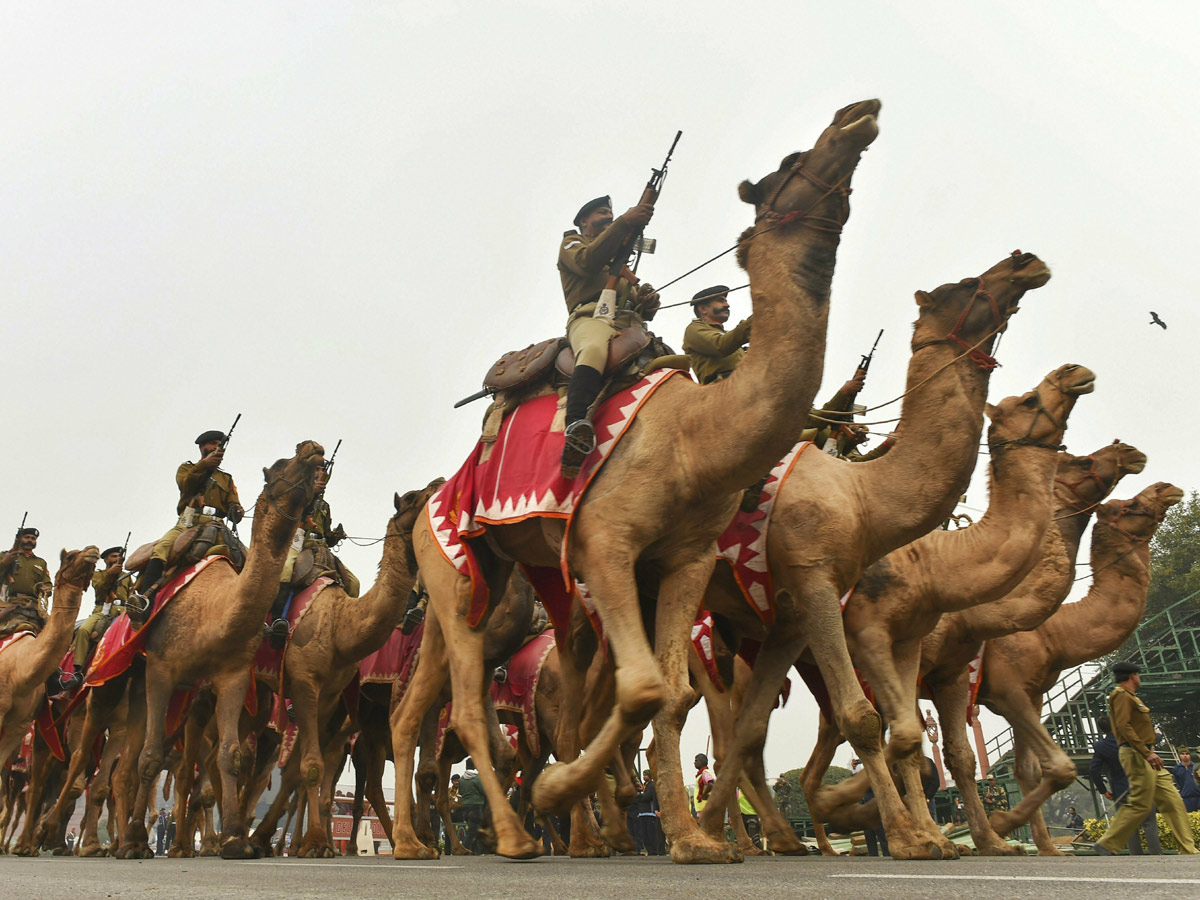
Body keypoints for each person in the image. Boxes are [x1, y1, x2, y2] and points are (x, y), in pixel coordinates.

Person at [557, 196, 659, 477]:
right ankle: (575, 425)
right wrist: (626, 221)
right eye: (602, 213)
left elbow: (637, 302)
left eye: (611, 214)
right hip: (591, 318)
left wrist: (647, 301)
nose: (609, 217)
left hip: (629, 324)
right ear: (583, 221)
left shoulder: (619, 263)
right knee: (592, 349)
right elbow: (587, 262)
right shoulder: (572, 243)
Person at [1095, 661, 1197, 855]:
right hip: (1136, 754)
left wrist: (1149, 750)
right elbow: (1125, 727)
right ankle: (1107, 843)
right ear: (1133, 676)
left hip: (1146, 754)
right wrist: (1146, 752)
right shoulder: (1121, 696)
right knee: (1141, 804)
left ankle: (1188, 850)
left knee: (1173, 800)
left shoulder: (1132, 697)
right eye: (1139, 675)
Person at [135, 430, 245, 604]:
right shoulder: (186, 468)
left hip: (218, 525)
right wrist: (204, 465)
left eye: (219, 444)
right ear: (202, 447)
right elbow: (186, 485)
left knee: (249, 558)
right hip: (189, 522)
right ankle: (144, 601)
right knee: (162, 547)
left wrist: (237, 510)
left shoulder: (226, 478)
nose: (217, 447)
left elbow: (233, 504)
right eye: (213, 443)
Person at [1088, 714, 1160, 854]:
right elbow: (1150, 740)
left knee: (1129, 826)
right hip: (1142, 785)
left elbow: (1093, 770)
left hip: (1120, 790)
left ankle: (1135, 856)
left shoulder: (1100, 746)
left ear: (1102, 730)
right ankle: (1156, 855)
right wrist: (1159, 735)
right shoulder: (1130, 739)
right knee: (1149, 822)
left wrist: (1103, 790)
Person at [69, 545, 130, 686]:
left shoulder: (126, 577)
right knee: (84, 630)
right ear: (105, 559)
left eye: (118, 556)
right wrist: (110, 575)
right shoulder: (98, 575)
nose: (116, 559)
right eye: (113, 556)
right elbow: (101, 590)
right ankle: (77, 671)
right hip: (102, 609)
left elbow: (131, 593)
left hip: (123, 609)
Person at [682, 286, 752, 385]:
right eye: (720, 301)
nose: (727, 305)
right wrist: (755, 320)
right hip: (721, 388)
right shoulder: (694, 329)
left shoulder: (727, 335)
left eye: (726, 301)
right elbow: (720, 345)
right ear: (703, 309)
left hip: (745, 381)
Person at [0, 526, 52, 633]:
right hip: (10, 602)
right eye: (27, 537)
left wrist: (45, 589)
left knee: (54, 633)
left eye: (33, 538)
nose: (30, 540)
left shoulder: (41, 563)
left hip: (34, 607)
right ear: (20, 539)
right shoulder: (6, 555)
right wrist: (4, 562)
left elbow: (48, 585)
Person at [458, 759, 486, 853]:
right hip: (476, 806)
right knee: (473, 831)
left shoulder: (461, 779)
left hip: (465, 806)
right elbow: (484, 791)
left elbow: (461, 792)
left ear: (466, 766)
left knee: (472, 829)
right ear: (475, 766)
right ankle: (465, 849)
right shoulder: (477, 778)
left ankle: (476, 850)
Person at [1172, 749, 1200, 813]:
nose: (1185, 756)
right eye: (1182, 754)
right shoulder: (1176, 769)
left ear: (1190, 755)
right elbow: (1178, 783)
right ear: (1179, 756)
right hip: (1186, 798)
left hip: (1198, 797)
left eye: (1187, 754)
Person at [693, 753, 715, 819]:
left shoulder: (705, 773)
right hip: (702, 809)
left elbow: (711, 784)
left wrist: (703, 795)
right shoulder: (700, 775)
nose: (694, 763)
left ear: (702, 762)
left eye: (696, 761)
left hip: (705, 809)